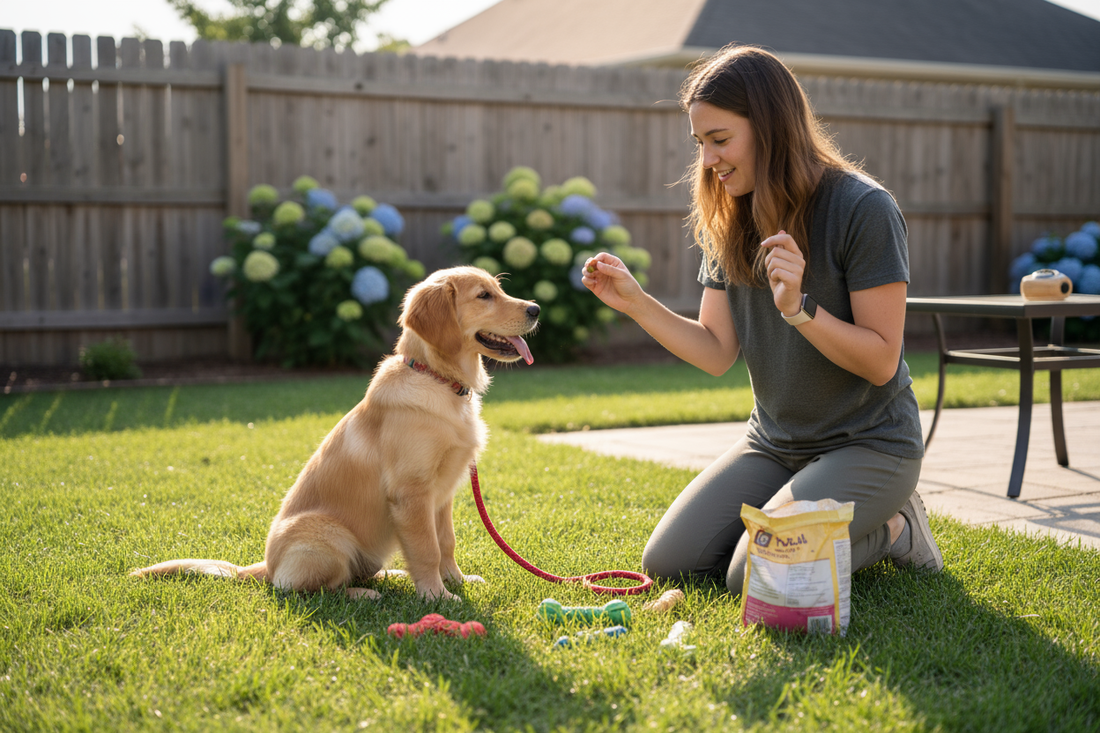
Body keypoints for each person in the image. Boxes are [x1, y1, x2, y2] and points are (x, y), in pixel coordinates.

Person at [581, 44, 942, 596]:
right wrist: (635, 302)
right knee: (672, 562)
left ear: (771, 128)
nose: (707, 160)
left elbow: (880, 360)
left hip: (870, 444)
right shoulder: (733, 214)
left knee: (754, 574)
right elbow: (714, 350)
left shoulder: (863, 209)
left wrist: (799, 309)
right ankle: (798, 525)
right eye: (700, 143)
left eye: (720, 140)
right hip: (775, 442)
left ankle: (895, 529)